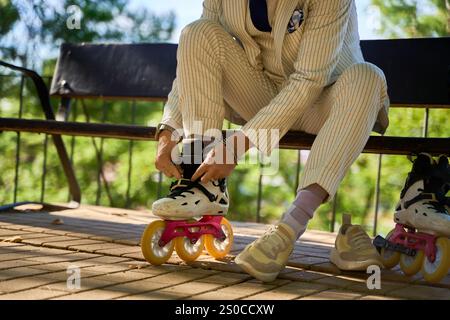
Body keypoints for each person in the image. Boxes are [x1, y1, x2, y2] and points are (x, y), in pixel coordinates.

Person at [153, 0, 389, 282]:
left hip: (327, 101)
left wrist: (237, 146)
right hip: (262, 98)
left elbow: (309, 79)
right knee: (197, 33)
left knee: (369, 77)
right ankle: (202, 185)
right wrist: (168, 132)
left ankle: (290, 226)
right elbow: (193, 62)